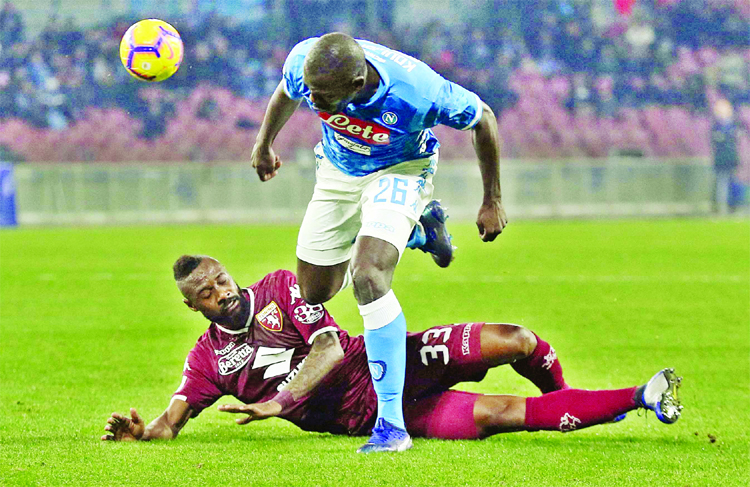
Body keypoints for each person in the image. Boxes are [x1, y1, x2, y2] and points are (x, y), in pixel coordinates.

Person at [101, 255, 683, 448]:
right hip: (375, 417)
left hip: (383, 362)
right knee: (502, 415)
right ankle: (641, 395)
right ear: (194, 306)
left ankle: (566, 399)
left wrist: (282, 400)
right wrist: (144, 434)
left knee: (517, 341)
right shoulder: (207, 360)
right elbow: (172, 421)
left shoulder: (280, 287)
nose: (223, 293)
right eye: (208, 293)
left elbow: (328, 345)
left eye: (222, 280)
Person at [249, 32, 508, 452]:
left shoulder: (418, 91)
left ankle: (391, 425)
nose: (313, 103)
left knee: (368, 274)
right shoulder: (307, 61)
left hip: (402, 169)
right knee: (316, 292)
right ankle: (422, 233)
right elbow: (286, 92)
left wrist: (491, 200)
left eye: (323, 96)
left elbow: (485, 119)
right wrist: (264, 144)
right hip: (337, 170)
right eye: (311, 92)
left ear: (356, 85)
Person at [710, 98, 741, 215]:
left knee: (731, 182)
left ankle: (731, 206)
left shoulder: (734, 125)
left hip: (731, 159)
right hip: (721, 160)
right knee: (720, 183)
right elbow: (716, 141)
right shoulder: (716, 127)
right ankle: (719, 207)